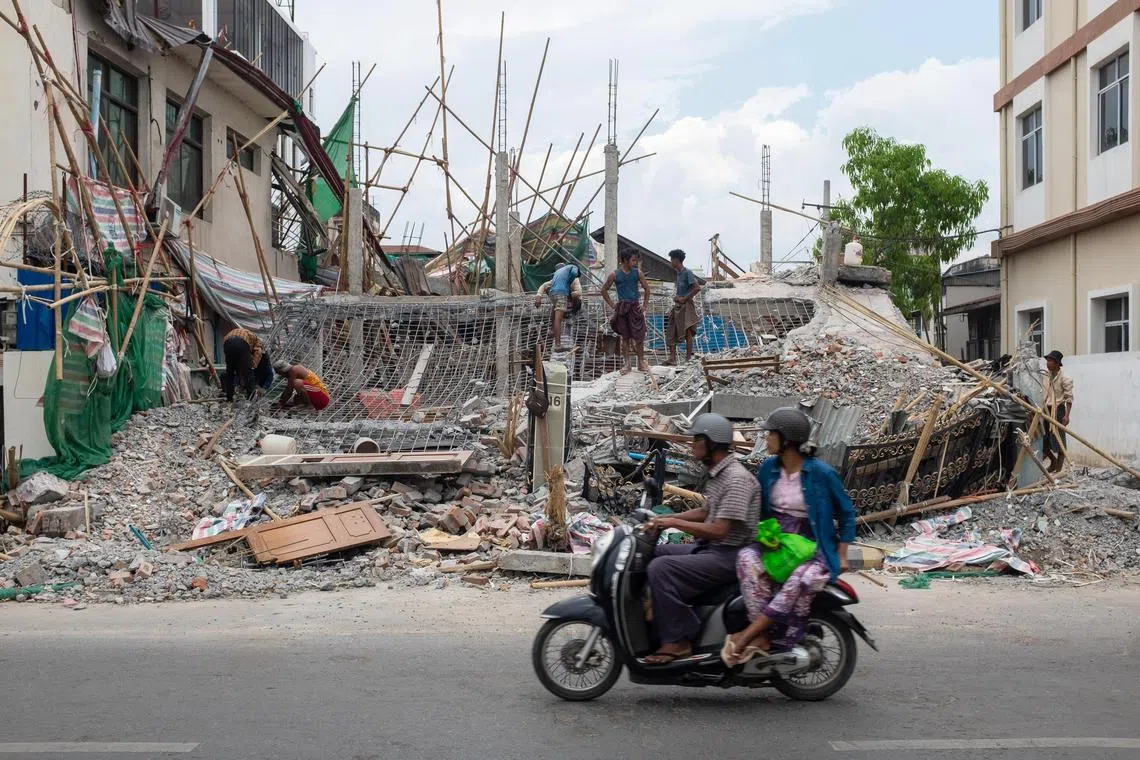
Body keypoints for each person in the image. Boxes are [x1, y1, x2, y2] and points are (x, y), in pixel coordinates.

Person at [722, 407, 856, 667]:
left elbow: (848, 513)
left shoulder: (822, 473)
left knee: (801, 580)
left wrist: (842, 554)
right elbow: (760, 509)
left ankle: (749, 636)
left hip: (814, 546)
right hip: (779, 543)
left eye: (770, 435)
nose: (766, 440)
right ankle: (761, 633)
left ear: (786, 439)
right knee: (746, 559)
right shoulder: (769, 468)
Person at [642, 413, 761, 665]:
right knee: (658, 553)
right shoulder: (720, 474)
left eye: (697, 439)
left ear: (712, 444)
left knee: (660, 569)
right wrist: (663, 517)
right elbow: (707, 511)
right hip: (714, 549)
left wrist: (673, 522)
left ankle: (679, 640)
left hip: (730, 555)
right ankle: (660, 613)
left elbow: (720, 530)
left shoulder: (737, 479)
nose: (691, 444)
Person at [602, 250, 651, 374]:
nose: (635, 263)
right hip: (622, 308)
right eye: (633, 260)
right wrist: (613, 305)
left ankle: (640, 363)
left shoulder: (638, 273)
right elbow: (604, 290)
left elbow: (647, 289)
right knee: (625, 338)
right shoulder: (615, 275)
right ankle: (627, 365)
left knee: (639, 337)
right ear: (624, 260)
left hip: (635, 308)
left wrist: (644, 306)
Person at [534, 263, 583, 351]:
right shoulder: (574, 269)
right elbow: (545, 285)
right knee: (558, 319)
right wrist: (538, 296)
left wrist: (569, 295)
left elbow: (578, 293)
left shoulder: (562, 276)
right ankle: (558, 344)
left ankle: (555, 328)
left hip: (568, 299)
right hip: (561, 295)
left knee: (556, 308)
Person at [665, 249, 702, 365]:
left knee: (687, 332)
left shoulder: (687, 273)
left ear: (676, 260)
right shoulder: (678, 274)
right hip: (678, 306)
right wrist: (677, 298)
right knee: (671, 330)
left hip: (686, 306)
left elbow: (697, 288)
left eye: (672, 259)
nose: (671, 262)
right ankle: (672, 359)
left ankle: (688, 358)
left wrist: (685, 298)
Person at [1042, 350, 1073, 473]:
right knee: (1044, 441)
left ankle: (1059, 470)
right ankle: (1053, 462)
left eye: (1050, 361)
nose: (1048, 363)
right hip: (1046, 410)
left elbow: (1069, 399)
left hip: (1058, 410)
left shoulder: (1065, 378)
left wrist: (1066, 416)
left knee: (1059, 440)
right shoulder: (1046, 375)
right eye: (1047, 360)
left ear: (1057, 363)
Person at [222, 326, 265, 402]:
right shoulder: (258, 342)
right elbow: (258, 353)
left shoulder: (247, 333)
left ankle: (229, 398)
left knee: (230, 373)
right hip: (241, 342)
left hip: (227, 343)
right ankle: (251, 399)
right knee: (248, 374)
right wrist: (253, 366)